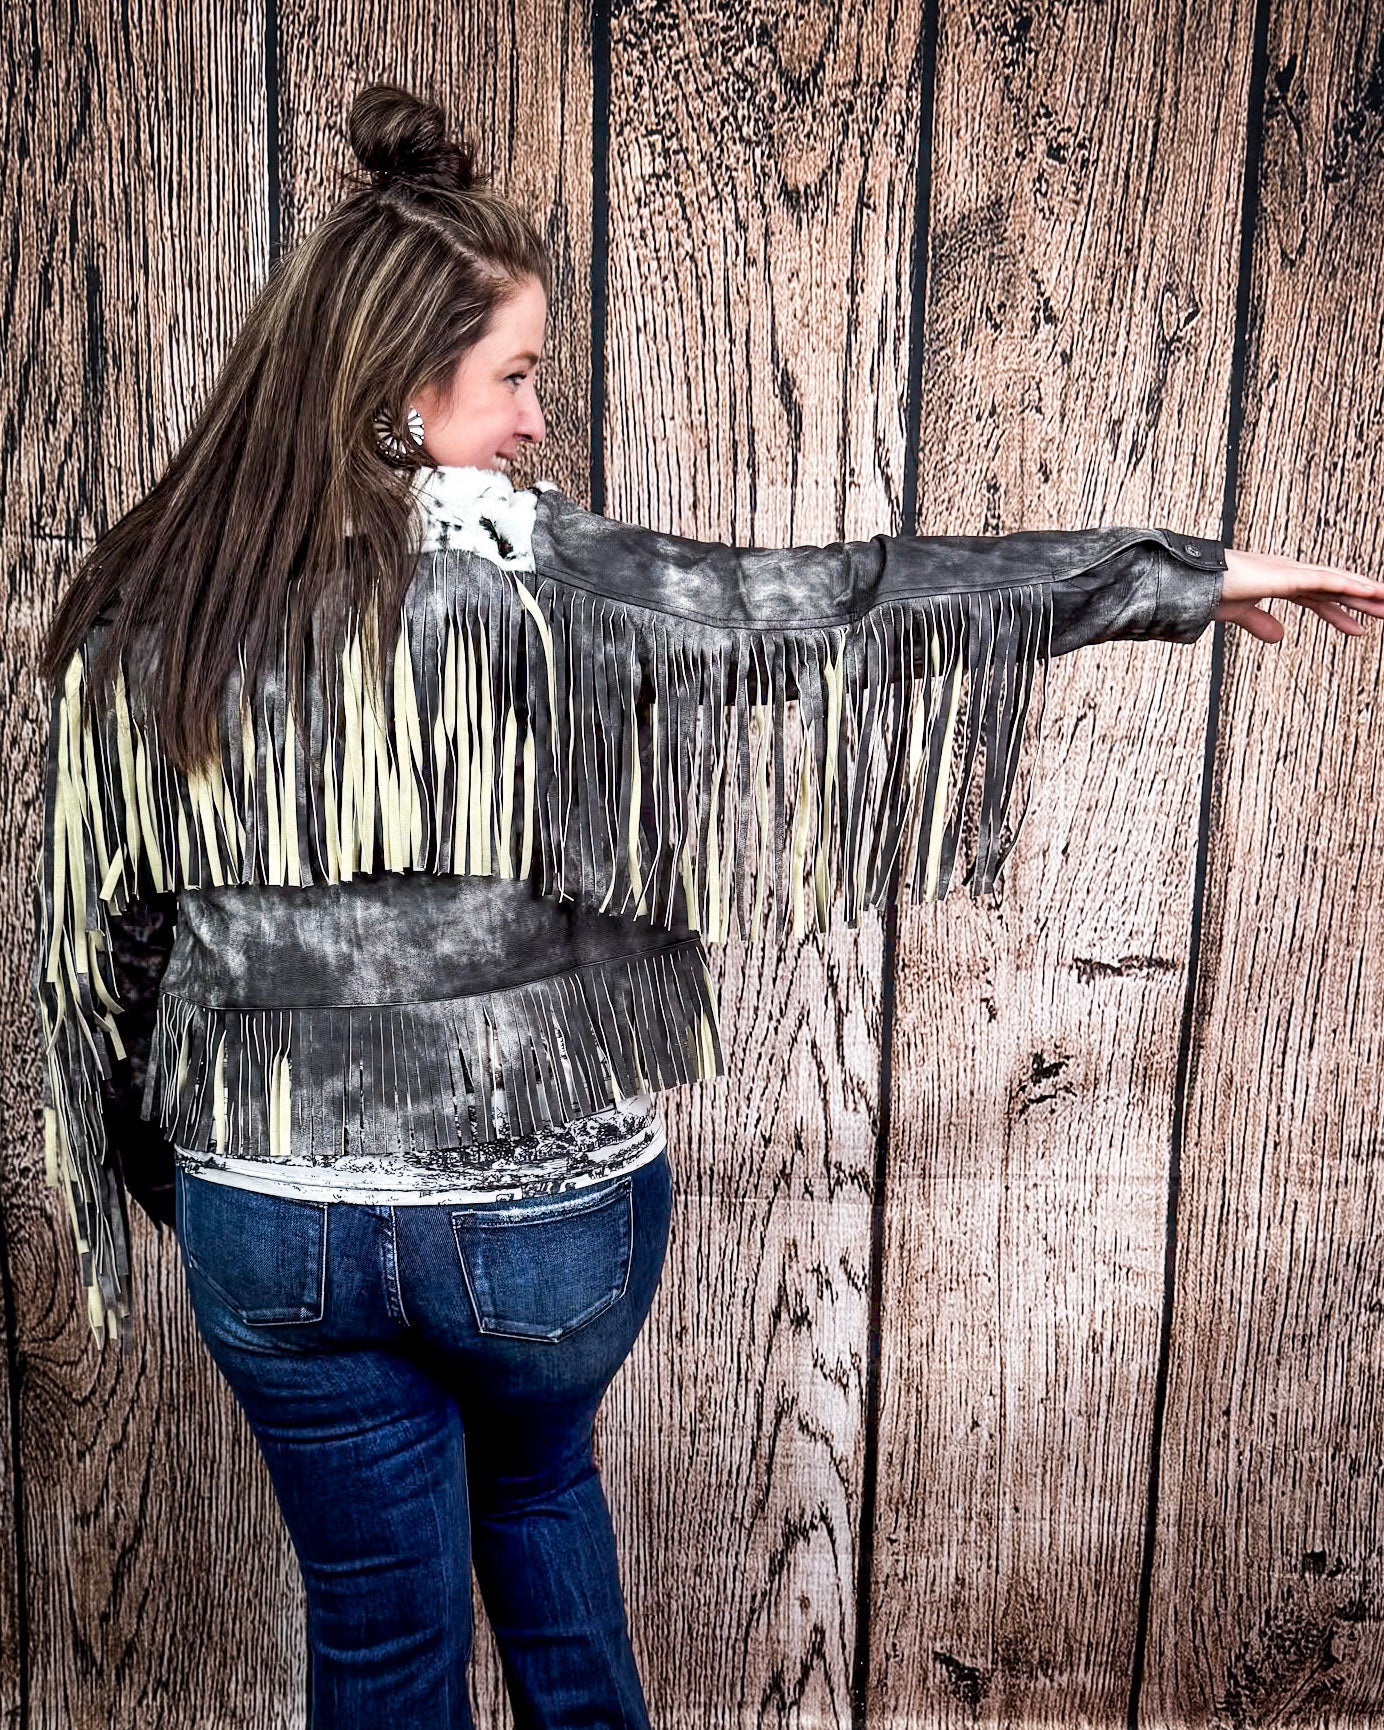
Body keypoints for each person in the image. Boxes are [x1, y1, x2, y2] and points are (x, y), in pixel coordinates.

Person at [27, 81, 1384, 1730]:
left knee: (376, 1641)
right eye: (517, 375)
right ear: (402, 382)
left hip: (272, 1225)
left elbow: (111, 950)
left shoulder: (153, 607)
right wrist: (1175, 572)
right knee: (539, 1499)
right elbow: (843, 607)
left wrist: (201, 1181)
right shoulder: (568, 585)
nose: (536, 420)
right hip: (536, 1231)